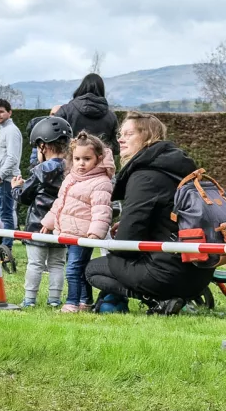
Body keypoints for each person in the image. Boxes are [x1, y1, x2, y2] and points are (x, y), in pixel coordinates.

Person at [84, 111, 212, 310]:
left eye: (128, 134)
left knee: (93, 269)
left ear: (147, 137)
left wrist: (115, 246)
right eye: (120, 134)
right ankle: (173, 296)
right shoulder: (176, 169)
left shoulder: (145, 176)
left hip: (167, 273)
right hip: (199, 271)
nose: (120, 139)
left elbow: (126, 242)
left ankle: (159, 300)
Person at [43, 132, 115, 312]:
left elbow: (102, 210)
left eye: (86, 159)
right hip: (69, 232)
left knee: (73, 269)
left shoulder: (101, 182)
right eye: (77, 159)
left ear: (98, 159)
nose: (81, 163)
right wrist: (49, 222)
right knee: (79, 268)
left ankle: (72, 302)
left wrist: (94, 234)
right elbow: (60, 203)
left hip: (83, 235)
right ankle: (85, 301)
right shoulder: (71, 178)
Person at [12, 116, 71, 308]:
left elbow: (25, 197)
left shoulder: (41, 169)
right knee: (57, 265)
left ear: (43, 146)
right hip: (61, 226)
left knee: (35, 264)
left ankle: (29, 300)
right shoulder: (73, 169)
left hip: (38, 226)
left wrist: (16, 188)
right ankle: (54, 300)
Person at [53, 73, 119, 159]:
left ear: (82, 87)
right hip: (100, 166)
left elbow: (53, 138)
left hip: (71, 164)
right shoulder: (111, 117)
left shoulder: (66, 110)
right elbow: (116, 147)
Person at [0, 99, 22, 237]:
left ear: (9, 112)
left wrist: (0, 176)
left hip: (4, 179)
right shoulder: (3, 130)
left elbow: (12, 157)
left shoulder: (12, 131)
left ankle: (6, 248)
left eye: (1, 111)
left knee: (6, 215)